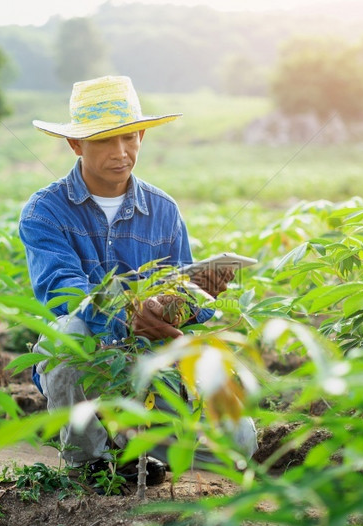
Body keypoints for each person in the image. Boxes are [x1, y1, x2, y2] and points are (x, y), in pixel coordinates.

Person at [18, 76, 257, 489]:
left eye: (128, 137)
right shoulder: (45, 211)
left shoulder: (163, 210)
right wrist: (128, 316)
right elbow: (64, 292)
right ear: (76, 145)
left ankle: (130, 443)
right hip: (89, 358)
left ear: (142, 135)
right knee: (69, 334)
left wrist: (183, 303)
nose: (120, 152)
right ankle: (88, 462)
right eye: (103, 141)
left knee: (239, 442)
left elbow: (188, 292)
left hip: (152, 363)